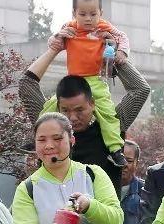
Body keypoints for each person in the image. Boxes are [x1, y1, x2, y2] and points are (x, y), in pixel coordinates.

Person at [18, 27, 152, 191]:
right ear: (58, 107)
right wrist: (55, 49)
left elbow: (140, 90)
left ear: (93, 104)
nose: (73, 117)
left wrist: (113, 54)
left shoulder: (112, 124)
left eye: (80, 110)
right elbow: (26, 85)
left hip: (103, 213)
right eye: (65, 110)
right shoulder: (48, 122)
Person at [45, 0, 131, 164]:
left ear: (101, 13)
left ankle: (115, 149)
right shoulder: (69, 28)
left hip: (96, 80)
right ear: (74, 13)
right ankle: (39, 137)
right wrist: (58, 37)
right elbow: (52, 42)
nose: (88, 18)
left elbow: (123, 37)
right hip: (73, 81)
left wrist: (121, 51)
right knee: (50, 106)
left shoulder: (104, 27)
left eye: (93, 14)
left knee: (107, 113)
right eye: (82, 14)